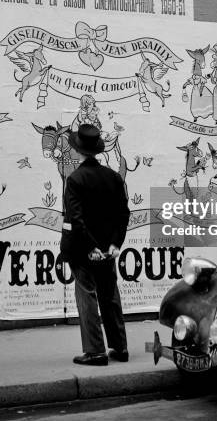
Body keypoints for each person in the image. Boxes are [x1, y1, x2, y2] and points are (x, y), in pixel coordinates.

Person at [61, 124, 131, 366]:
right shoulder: (113, 177)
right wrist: (113, 244)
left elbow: (76, 219)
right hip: (108, 249)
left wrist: (91, 248)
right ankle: (120, 348)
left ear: (77, 150)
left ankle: (95, 352)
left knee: (87, 296)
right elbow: (123, 214)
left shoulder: (75, 179)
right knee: (110, 295)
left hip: (84, 250)